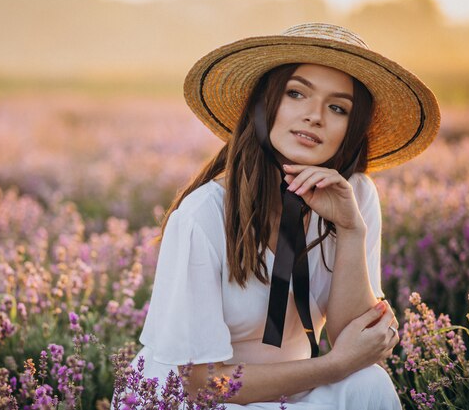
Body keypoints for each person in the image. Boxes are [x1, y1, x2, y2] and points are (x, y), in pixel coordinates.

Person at [123, 23, 440, 409]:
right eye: (296, 93)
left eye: (338, 107)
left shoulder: (353, 195)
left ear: (351, 130)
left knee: (369, 384)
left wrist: (351, 228)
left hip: (293, 392)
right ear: (264, 103)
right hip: (194, 401)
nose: (315, 116)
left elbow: (358, 342)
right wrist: (333, 367)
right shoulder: (201, 215)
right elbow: (198, 385)